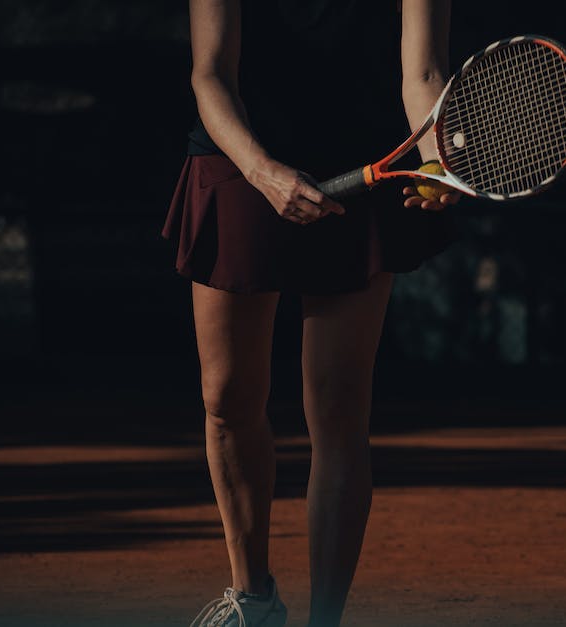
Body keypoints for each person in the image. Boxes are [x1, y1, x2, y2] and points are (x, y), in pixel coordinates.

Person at [161, 1, 459, 626]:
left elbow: (423, 75)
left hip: (362, 162)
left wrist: (434, 158)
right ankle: (253, 600)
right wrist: (262, 171)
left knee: (337, 407)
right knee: (227, 398)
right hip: (240, 152)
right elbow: (209, 74)